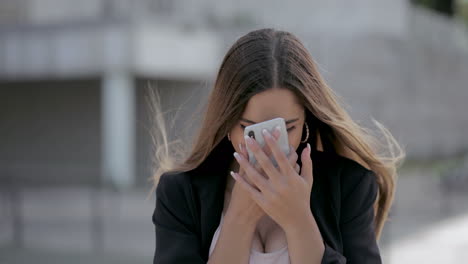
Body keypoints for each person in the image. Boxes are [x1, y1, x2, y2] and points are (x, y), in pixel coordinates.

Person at [151, 28, 404, 264]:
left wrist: (299, 222)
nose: (266, 146)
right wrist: (239, 219)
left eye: (286, 128)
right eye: (248, 128)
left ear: (307, 119)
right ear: (226, 123)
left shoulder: (351, 185)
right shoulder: (180, 193)